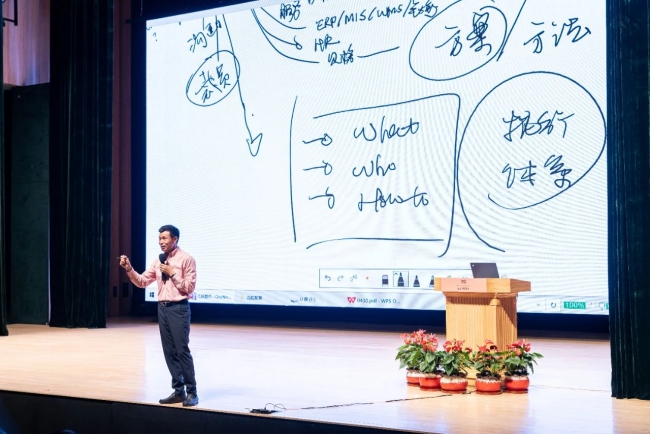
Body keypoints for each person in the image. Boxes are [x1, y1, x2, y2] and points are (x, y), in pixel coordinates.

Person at [119, 224, 198, 407]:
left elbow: (189, 288)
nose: (161, 242)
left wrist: (173, 274)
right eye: (159, 238)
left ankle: (192, 392)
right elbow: (142, 282)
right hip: (162, 308)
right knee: (169, 351)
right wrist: (129, 268)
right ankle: (178, 391)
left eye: (164, 238)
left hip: (179, 308)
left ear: (175, 239)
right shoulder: (158, 261)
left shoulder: (187, 259)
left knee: (181, 350)